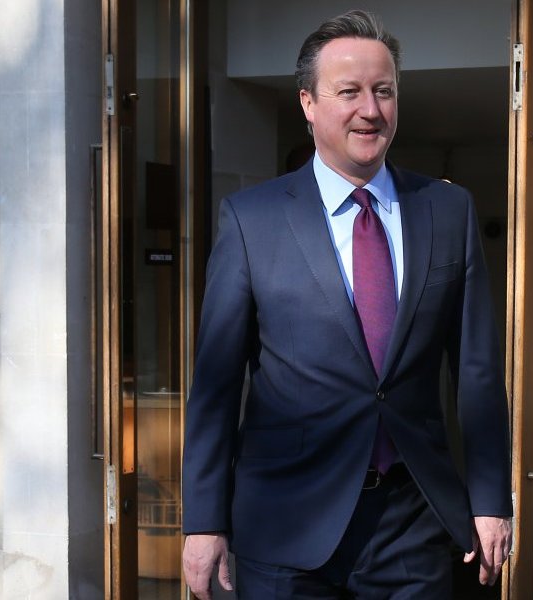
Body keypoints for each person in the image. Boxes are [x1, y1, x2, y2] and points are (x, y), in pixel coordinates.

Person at [181, 10, 512, 599]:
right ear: (307, 102)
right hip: (285, 526)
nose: (370, 109)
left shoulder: (447, 210)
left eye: (384, 91)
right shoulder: (251, 219)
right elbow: (216, 383)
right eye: (349, 91)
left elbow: (479, 375)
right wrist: (204, 521)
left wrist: (490, 500)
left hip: (413, 525)